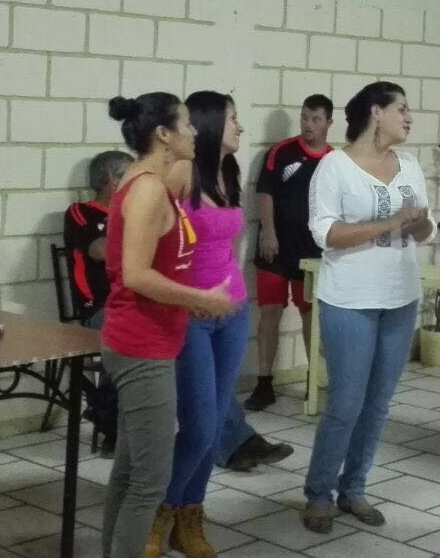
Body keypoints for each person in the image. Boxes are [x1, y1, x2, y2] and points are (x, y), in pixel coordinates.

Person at [99, 93, 236, 558]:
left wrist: (190, 301)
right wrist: (201, 298)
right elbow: (136, 275)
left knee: (128, 472)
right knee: (149, 482)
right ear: (163, 134)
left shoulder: (156, 183)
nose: (194, 132)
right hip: (141, 346)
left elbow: (161, 265)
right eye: (186, 124)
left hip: (155, 339)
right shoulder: (146, 188)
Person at [301, 81, 434, 534]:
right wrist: (391, 221)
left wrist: (419, 225)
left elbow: (427, 228)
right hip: (350, 299)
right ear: (376, 112)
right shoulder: (334, 167)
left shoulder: (409, 165)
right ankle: (319, 493)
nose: (409, 117)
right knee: (345, 403)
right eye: (402, 109)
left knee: (378, 403)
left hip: (400, 296)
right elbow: (325, 233)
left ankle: (353, 488)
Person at [155, 92, 251, 558]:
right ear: (211, 123)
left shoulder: (229, 172)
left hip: (232, 313)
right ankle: (161, 510)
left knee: (212, 430)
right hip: (190, 315)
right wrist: (186, 295)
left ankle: (190, 514)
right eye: (233, 118)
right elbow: (155, 242)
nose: (240, 127)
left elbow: (229, 241)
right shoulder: (180, 173)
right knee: (198, 426)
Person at [246, 94, 334, 411]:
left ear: (328, 123)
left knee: (311, 316)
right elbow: (265, 193)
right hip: (274, 249)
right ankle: (264, 383)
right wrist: (269, 233)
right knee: (269, 313)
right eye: (304, 118)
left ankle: (314, 381)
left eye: (316, 119)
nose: (308, 125)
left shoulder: (335, 161)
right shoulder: (281, 152)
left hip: (311, 252)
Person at [65, 149, 134, 456]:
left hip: (137, 303)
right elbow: (100, 251)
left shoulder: (136, 214)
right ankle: (113, 424)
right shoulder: (81, 212)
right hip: (99, 309)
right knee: (125, 335)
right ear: (111, 180)